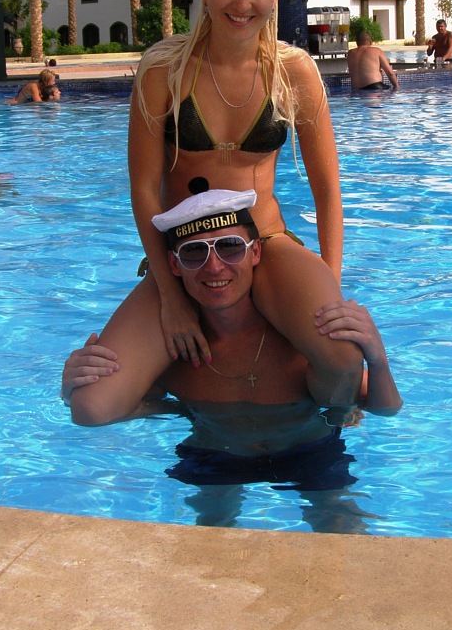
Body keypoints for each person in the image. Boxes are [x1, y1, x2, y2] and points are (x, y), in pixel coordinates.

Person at [116, 0, 362, 394]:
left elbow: (328, 190)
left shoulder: (294, 71)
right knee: (94, 403)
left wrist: (331, 286)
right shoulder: (164, 70)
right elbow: (144, 188)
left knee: (344, 360)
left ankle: (322, 422)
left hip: (264, 241)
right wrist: (171, 297)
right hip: (185, 252)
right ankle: (186, 401)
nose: (242, 3)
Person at [62, 191, 401, 528]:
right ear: (173, 265)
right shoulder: (176, 356)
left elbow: (386, 409)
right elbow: (108, 410)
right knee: (207, 543)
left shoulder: (296, 341)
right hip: (214, 457)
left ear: (255, 252)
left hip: (309, 452)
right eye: (194, 252)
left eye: (230, 247)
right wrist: (71, 392)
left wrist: (378, 360)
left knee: (344, 530)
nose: (214, 266)